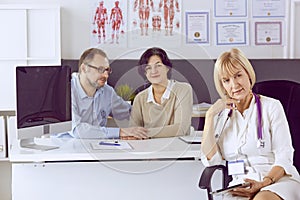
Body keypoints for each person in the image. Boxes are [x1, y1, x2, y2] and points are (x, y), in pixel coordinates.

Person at [201, 48, 300, 199]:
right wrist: (209, 116)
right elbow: (210, 159)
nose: (234, 85)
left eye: (238, 75)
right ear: (222, 86)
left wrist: (263, 184)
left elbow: (284, 157)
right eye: (226, 80)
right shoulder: (220, 116)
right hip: (241, 184)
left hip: (276, 181)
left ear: (248, 74)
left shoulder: (272, 106)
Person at [71, 48, 148, 140]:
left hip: (98, 148)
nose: (106, 75)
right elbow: (77, 130)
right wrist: (120, 132)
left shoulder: (107, 92)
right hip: (67, 148)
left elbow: (129, 112)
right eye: (100, 69)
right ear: (84, 68)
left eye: (107, 70)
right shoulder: (67, 91)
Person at [129, 47, 193, 138]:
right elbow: (133, 131)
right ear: (145, 73)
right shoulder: (140, 98)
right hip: (147, 148)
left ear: (167, 68)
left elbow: (181, 129)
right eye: (148, 68)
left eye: (158, 65)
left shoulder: (183, 89)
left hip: (176, 148)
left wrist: (144, 133)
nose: (154, 71)